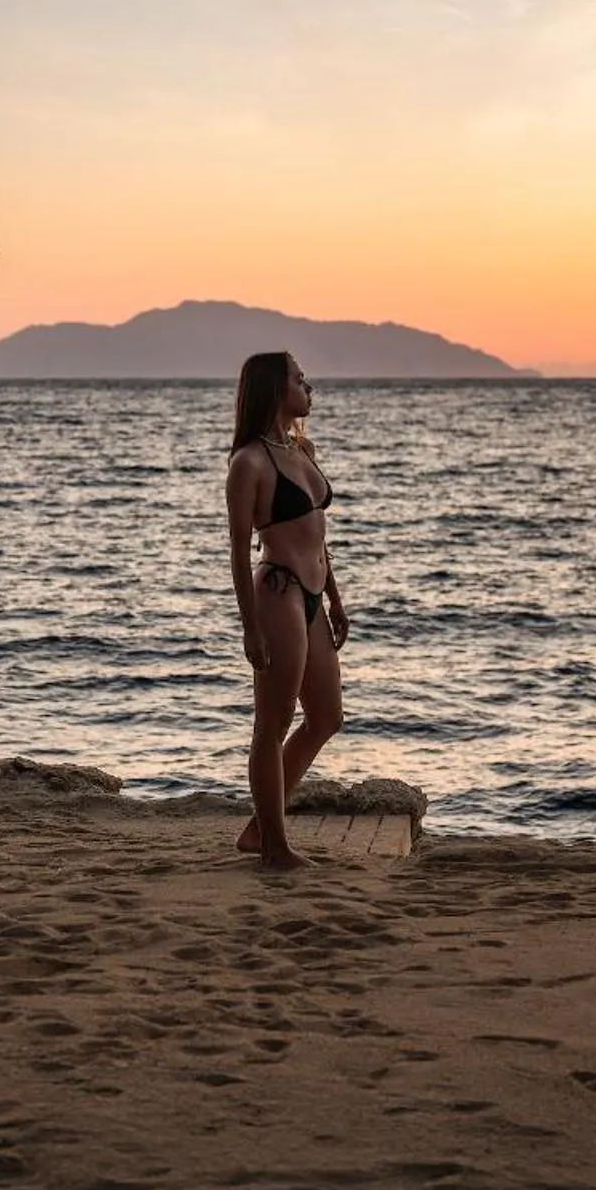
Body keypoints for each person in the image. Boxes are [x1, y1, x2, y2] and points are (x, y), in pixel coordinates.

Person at [224, 351, 347, 868]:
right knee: (271, 725)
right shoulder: (249, 462)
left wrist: (336, 599)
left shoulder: (301, 448)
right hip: (277, 594)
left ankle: (260, 827)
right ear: (276, 389)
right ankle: (275, 847)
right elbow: (236, 551)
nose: (308, 385)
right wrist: (250, 626)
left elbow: (318, 536)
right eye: (299, 378)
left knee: (326, 717)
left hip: (315, 596)